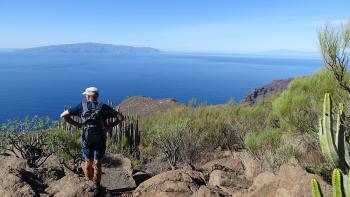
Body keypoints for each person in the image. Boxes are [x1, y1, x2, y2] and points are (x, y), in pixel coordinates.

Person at [60, 87, 124, 188]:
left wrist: (77, 124)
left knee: (88, 161)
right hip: (100, 139)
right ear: (97, 96)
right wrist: (109, 126)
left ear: (88, 96)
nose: (85, 96)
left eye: (86, 95)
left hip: (86, 138)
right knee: (98, 163)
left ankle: (89, 185)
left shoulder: (81, 105)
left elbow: (63, 115)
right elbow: (121, 117)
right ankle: (97, 185)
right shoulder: (103, 107)